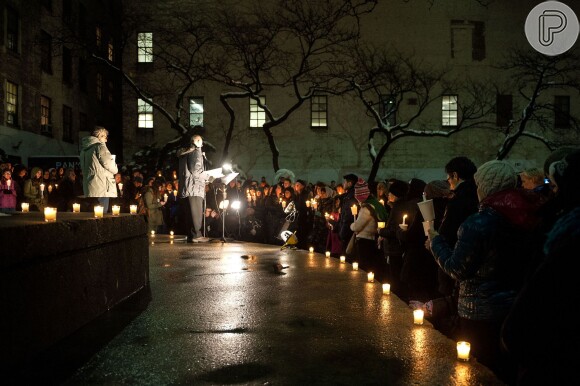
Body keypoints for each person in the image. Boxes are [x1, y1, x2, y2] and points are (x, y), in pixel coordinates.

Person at [428, 160, 544, 385]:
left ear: (486, 186)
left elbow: (458, 268)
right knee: (504, 370)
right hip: (515, 308)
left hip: (480, 311)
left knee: (478, 371)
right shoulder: (530, 215)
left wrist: (436, 243)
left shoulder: (479, 223)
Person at [501, 150, 580, 385]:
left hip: (552, 357)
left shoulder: (568, 236)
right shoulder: (557, 224)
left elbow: (544, 296)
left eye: (554, 186)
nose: (549, 194)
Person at [178, 134, 209, 243]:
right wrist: (208, 176)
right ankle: (196, 235)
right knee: (196, 213)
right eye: (200, 140)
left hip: (187, 188)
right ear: (196, 142)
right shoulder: (195, 152)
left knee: (190, 214)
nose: (202, 142)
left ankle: (191, 235)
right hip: (194, 187)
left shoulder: (184, 153)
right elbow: (196, 170)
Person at [79, 126, 118, 212]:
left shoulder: (84, 150)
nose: (106, 140)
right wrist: (114, 166)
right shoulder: (100, 147)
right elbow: (111, 166)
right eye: (104, 136)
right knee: (101, 214)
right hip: (101, 186)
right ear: (99, 135)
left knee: (92, 214)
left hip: (90, 186)